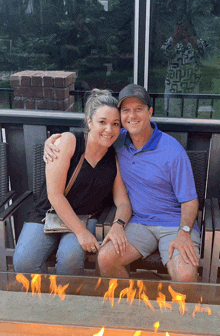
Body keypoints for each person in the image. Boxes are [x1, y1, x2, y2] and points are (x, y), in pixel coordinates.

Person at [44, 84, 200, 282]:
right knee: (106, 259)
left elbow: (190, 201)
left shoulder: (173, 151)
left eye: (138, 109)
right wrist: (52, 142)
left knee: (185, 277)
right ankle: (129, 302)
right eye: (126, 110)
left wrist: (184, 232)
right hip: (139, 223)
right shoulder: (117, 139)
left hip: (174, 224)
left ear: (150, 112)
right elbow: (92, 135)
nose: (132, 116)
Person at [13, 89, 131, 275]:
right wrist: (81, 233)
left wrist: (118, 225)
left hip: (87, 217)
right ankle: (40, 300)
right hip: (48, 213)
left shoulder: (113, 157)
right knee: (24, 262)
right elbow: (55, 194)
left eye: (115, 124)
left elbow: (123, 201)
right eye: (102, 122)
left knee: (70, 260)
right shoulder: (69, 141)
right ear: (89, 121)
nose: (109, 129)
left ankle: (68, 302)